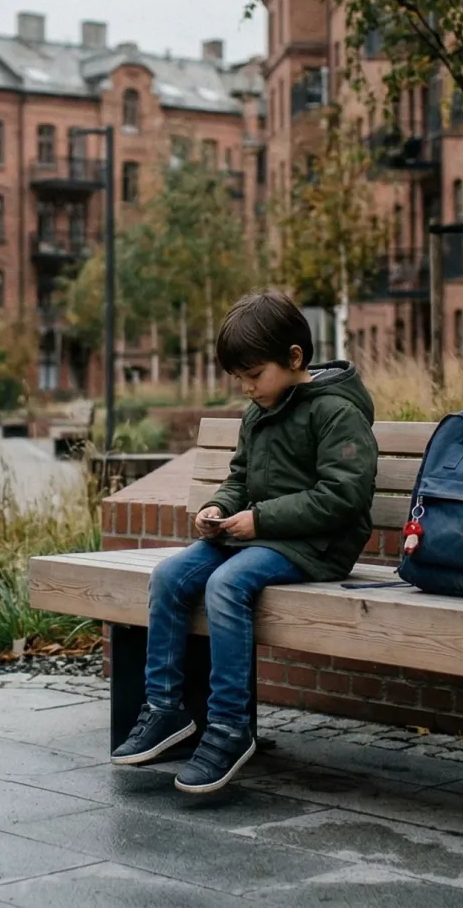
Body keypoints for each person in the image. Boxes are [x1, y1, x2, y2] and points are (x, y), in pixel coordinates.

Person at [110, 290, 378, 793]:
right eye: (240, 379)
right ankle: (166, 709)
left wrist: (261, 521)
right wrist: (221, 508)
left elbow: (344, 497)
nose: (248, 388)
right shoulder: (258, 411)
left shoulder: (336, 412)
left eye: (254, 376)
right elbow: (240, 478)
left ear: (295, 358)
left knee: (227, 585)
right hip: (258, 534)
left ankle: (229, 727)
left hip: (318, 545)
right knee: (170, 576)